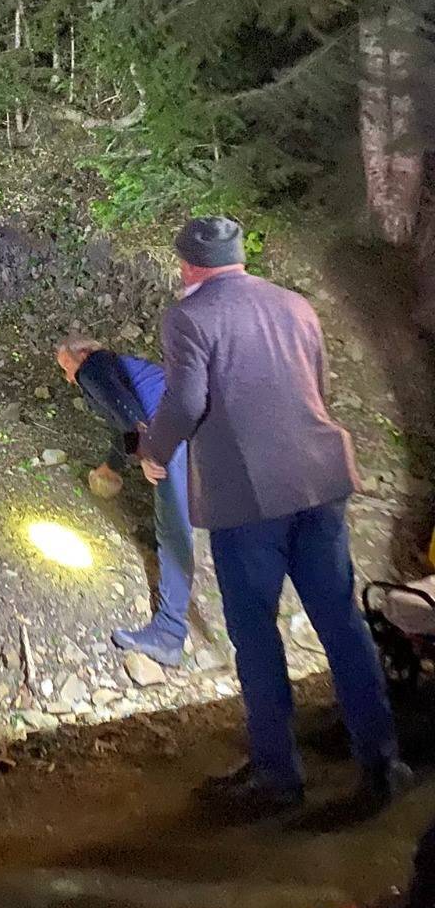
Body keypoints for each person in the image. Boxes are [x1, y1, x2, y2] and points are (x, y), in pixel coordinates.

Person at [141, 216, 407, 819]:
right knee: (341, 622)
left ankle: (277, 774)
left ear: (190, 265)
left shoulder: (189, 317)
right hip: (321, 481)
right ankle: (382, 762)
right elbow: (318, 386)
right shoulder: (294, 304)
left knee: (256, 633)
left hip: (250, 498)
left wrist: (155, 453)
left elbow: (186, 401)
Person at [56, 336, 193, 667]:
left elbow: (124, 409)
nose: (68, 378)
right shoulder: (122, 368)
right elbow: (121, 424)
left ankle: (169, 633)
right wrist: (111, 467)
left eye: (66, 367)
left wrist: (147, 452)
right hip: (201, 429)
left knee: (173, 531)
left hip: (171, 433)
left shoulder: (93, 367)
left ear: (82, 353)